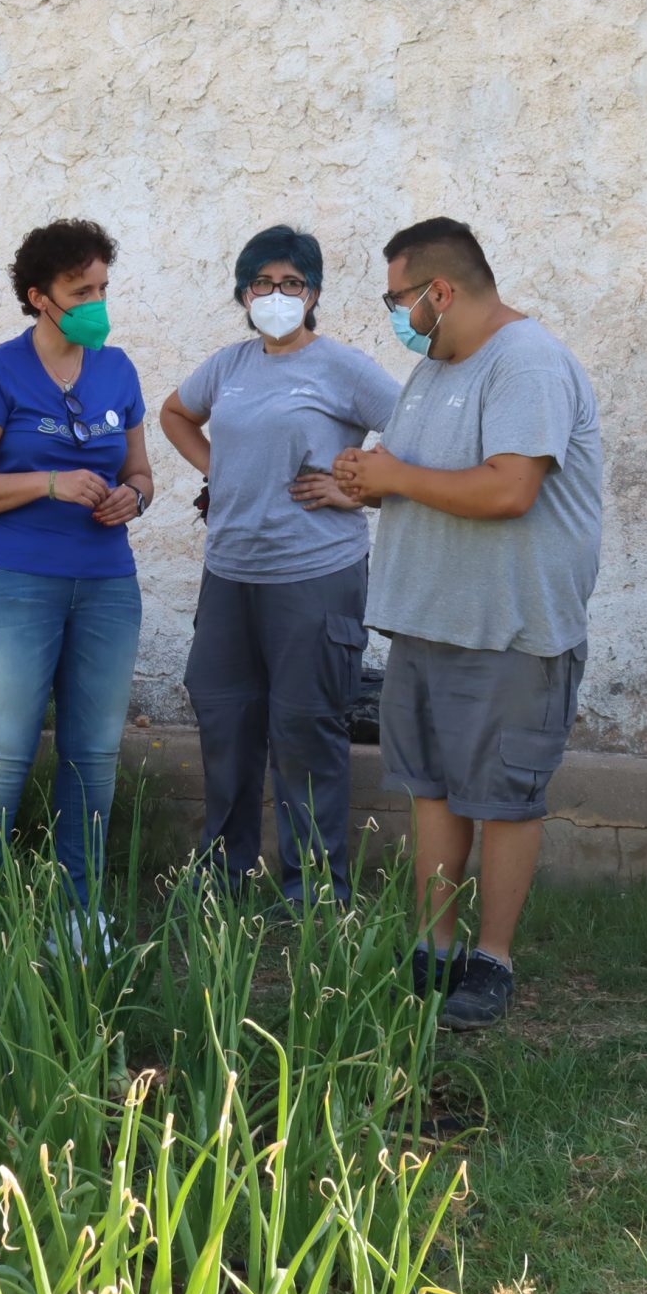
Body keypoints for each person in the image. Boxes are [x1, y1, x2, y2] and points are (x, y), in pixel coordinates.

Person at [335, 218, 605, 1032]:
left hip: (510, 628)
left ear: (439, 292)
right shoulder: (433, 368)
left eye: (397, 298)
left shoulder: (525, 362)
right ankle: (435, 948)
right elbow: (423, 474)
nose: (396, 314)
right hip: (427, 619)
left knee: (505, 798)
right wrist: (371, 481)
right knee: (434, 791)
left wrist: (396, 475)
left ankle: (493, 961)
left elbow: (508, 490)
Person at [157, 226, 400, 907]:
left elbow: (417, 435)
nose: (276, 294)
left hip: (315, 575)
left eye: (292, 282)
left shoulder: (342, 368)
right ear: (244, 292)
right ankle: (222, 880)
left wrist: (362, 488)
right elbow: (176, 414)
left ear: (314, 292)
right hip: (231, 574)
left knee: (305, 730)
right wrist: (218, 470)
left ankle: (315, 894)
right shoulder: (230, 366)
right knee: (226, 726)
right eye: (262, 282)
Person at [0, 219, 157, 952]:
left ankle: (78, 913)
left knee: (93, 754)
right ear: (39, 297)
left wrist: (136, 496)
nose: (96, 302)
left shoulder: (117, 369)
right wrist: (50, 482)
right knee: (2, 753)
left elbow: (142, 472)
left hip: (105, 583)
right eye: (79, 290)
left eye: (102, 287)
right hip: (15, 583)